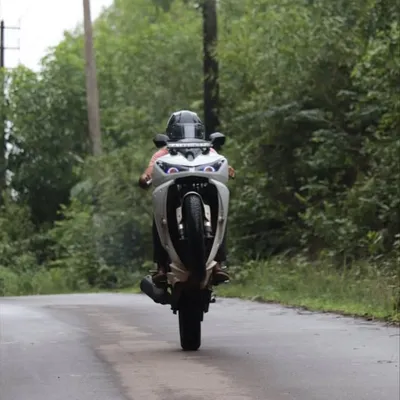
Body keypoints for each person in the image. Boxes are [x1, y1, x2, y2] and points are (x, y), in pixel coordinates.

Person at [138, 110, 235, 286]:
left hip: (204, 192)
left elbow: (220, 162)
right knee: (158, 215)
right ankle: (161, 265)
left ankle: (218, 263)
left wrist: (227, 168)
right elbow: (151, 170)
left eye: (193, 130)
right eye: (180, 131)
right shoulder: (163, 153)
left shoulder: (208, 150)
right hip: (174, 195)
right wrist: (146, 176)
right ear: (170, 134)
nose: (186, 135)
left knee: (221, 212)